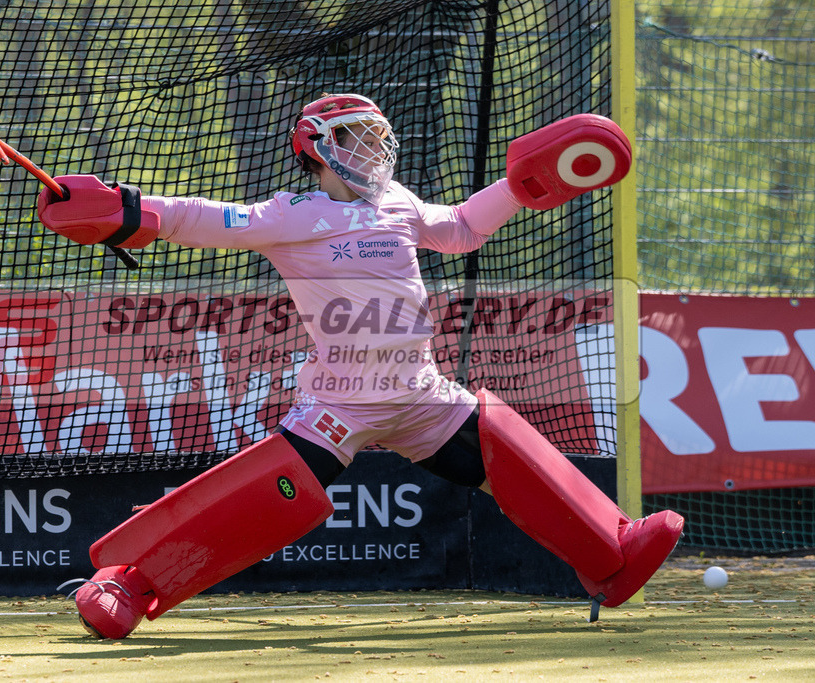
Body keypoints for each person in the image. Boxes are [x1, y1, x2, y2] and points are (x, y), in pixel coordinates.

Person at [39, 94, 684, 639]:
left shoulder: (398, 201)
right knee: (262, 500)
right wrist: (123, 212)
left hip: (419, 396)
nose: (373, 153)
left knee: (510, 452)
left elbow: (458, 228)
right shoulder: (293, 215)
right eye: (356, 139)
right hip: (339, 403)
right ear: (318, 147)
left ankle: (611, 554)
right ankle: (127, 583)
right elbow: (204, 219)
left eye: (378, 140)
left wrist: (516, 189)